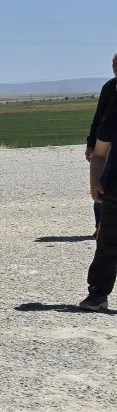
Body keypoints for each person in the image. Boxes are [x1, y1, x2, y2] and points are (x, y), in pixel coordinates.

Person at [81, 109, 117, 311]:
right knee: (108, 244)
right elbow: (100, 153)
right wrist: (94, 181)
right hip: (114, 191)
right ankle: (98, 294)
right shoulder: (112, 120)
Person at [84, 52, 117, 234]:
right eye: (113, 63)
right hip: (106, 144)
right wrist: (91, 144)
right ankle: (100, 225)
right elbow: (99, 118)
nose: (115, 67)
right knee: (102, 183)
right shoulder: (109, 88)